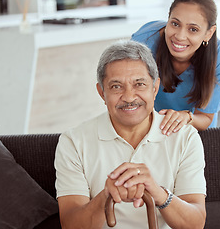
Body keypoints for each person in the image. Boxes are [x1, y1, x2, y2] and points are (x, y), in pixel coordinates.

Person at [54, 40, 206, 229]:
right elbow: (71, 226)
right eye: (116, 86)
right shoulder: (73, 142)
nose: (129, 97)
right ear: (102, 93)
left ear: (155, 88)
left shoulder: (185, 137)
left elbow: (196, 224)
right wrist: (105, 196)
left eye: (139, 84)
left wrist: (158, 193)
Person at [132, 0, 220, 134]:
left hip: (195, 129)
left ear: (209, 33)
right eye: (175, 24)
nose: (180, 36)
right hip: (153, 128)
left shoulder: (217, 56)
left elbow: (205, 118)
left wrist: (186, 117)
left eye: (193, 29)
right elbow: (133, 101)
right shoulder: (143, 44)